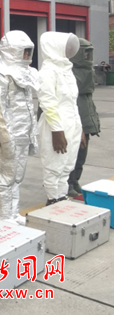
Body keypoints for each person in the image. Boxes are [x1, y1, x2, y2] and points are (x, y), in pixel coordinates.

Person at [0, 31, 39, 225]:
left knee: (17, 177)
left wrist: (32, 135)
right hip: (8, 136)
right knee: (4, 178)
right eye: (23, 51)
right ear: (11, 51)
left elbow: (29, 107)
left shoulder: (25, 74)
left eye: (28, 51)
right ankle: (4, 216)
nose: (26, 56)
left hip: (23, 134)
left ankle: (13, 213)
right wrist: (6, 140)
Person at [37, 32, 83, 205]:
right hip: (55, 123)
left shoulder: (67, 70)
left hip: (72, 122)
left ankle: (61, 198)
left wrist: (80, 129)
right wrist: (57, 131)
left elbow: (73, 102)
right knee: (54, 164)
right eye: (67, 46)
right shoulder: (47, 72)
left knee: (67, 164)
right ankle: (52, 199)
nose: (70, 49)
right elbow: (48, 103)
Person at [67, 38, 100, 197]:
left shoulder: (88, 70)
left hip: (85, 115)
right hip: (73, 118)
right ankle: (68, 183)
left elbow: (88, 96)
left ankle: (75, 181)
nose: (87, 57)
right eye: (85, 53)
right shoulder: (68, 71)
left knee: (81, 155)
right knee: (71, 154)